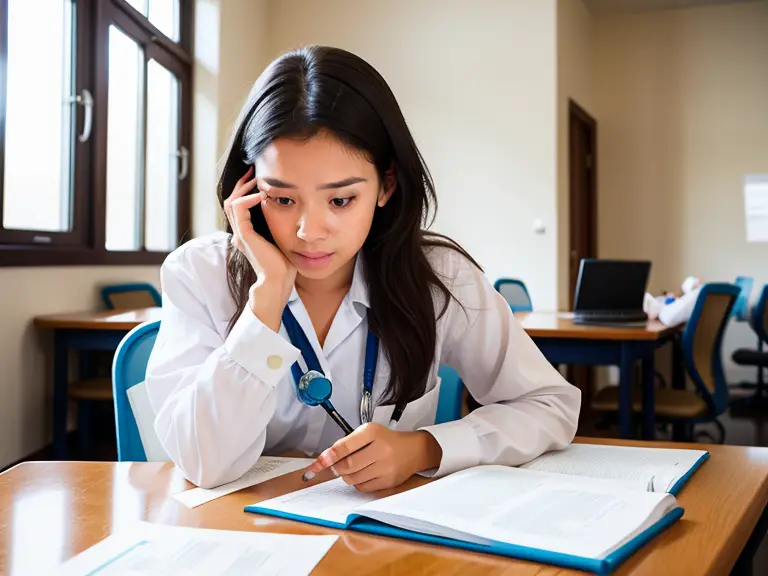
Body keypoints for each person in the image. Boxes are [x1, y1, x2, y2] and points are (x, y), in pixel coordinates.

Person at [145, 45, 580, 490]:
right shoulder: (200, 274)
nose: (309, 231)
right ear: (248, 190)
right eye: (282, 198)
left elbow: (550, 404)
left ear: (386, 185)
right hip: (250, 539)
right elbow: (203, 465)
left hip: (383, 540)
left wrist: (424, 447)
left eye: (340, 200)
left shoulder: (440, 277)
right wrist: (267, 299)